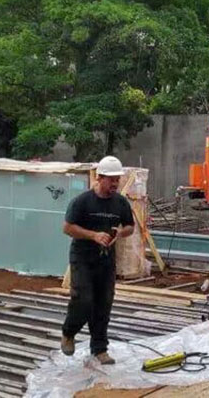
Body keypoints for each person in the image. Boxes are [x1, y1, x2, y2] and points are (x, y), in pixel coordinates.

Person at [60, 155, 135, 364]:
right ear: (99, 177)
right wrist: (93, 235)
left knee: (104, 303)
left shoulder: (120, 203)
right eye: (111, 180)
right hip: (82, 258)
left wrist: (119, 234)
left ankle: (99, 348)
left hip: (106, 261)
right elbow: (67, 227)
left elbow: (130, 226)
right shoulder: (82, 202)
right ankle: (68, 333)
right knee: (83, 300)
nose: (115, 184)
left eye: (117, 180)